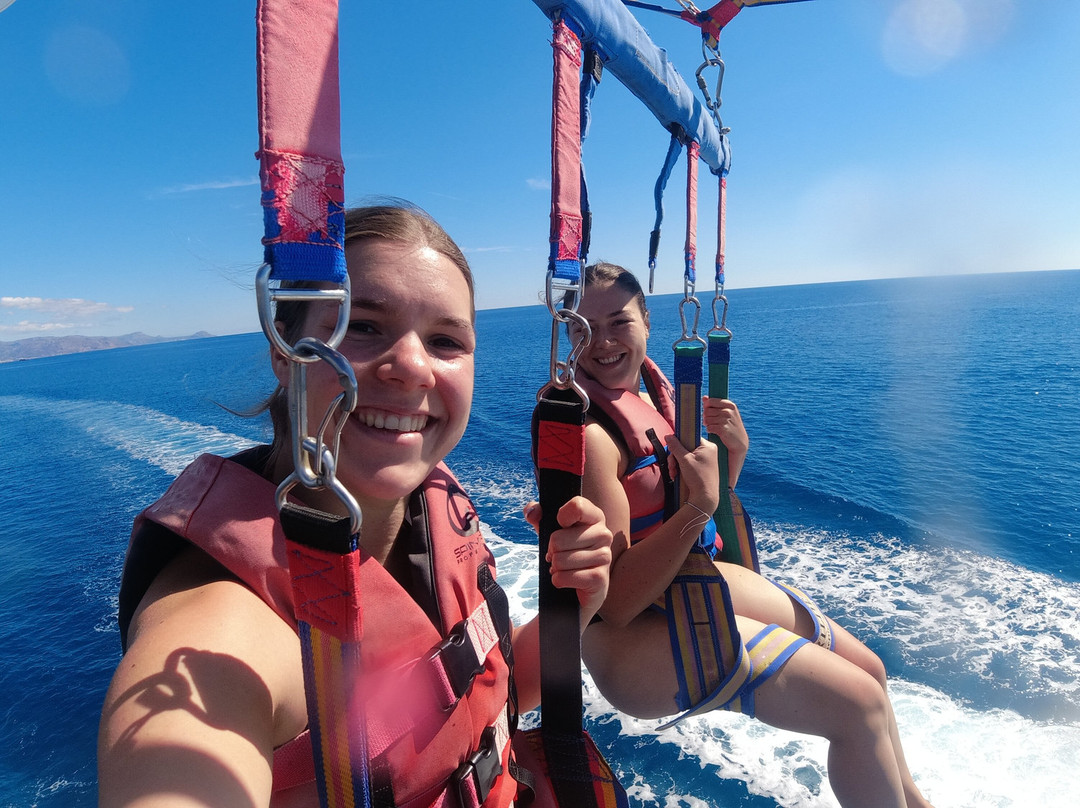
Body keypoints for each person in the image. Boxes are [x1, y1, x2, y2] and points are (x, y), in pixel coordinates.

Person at [97, 203, 613, 808]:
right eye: (362, 326)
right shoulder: (224, 626)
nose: (414, 367)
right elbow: (177, 759)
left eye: (446, 341)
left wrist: (569, 609)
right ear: (284, 350)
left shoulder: (434, 507)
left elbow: (477, 691)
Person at [572, 262, 934, 808]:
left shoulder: (658, 393)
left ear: (647, 322)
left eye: (618, 322)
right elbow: (617, 602)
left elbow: (689, 510)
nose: (601, 342)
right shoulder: (591, 436)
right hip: (632, 639)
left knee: (871, 673)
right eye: (583, 328)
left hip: (688, 581)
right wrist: (701, 505)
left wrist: (731, 460)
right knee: (857, 706)